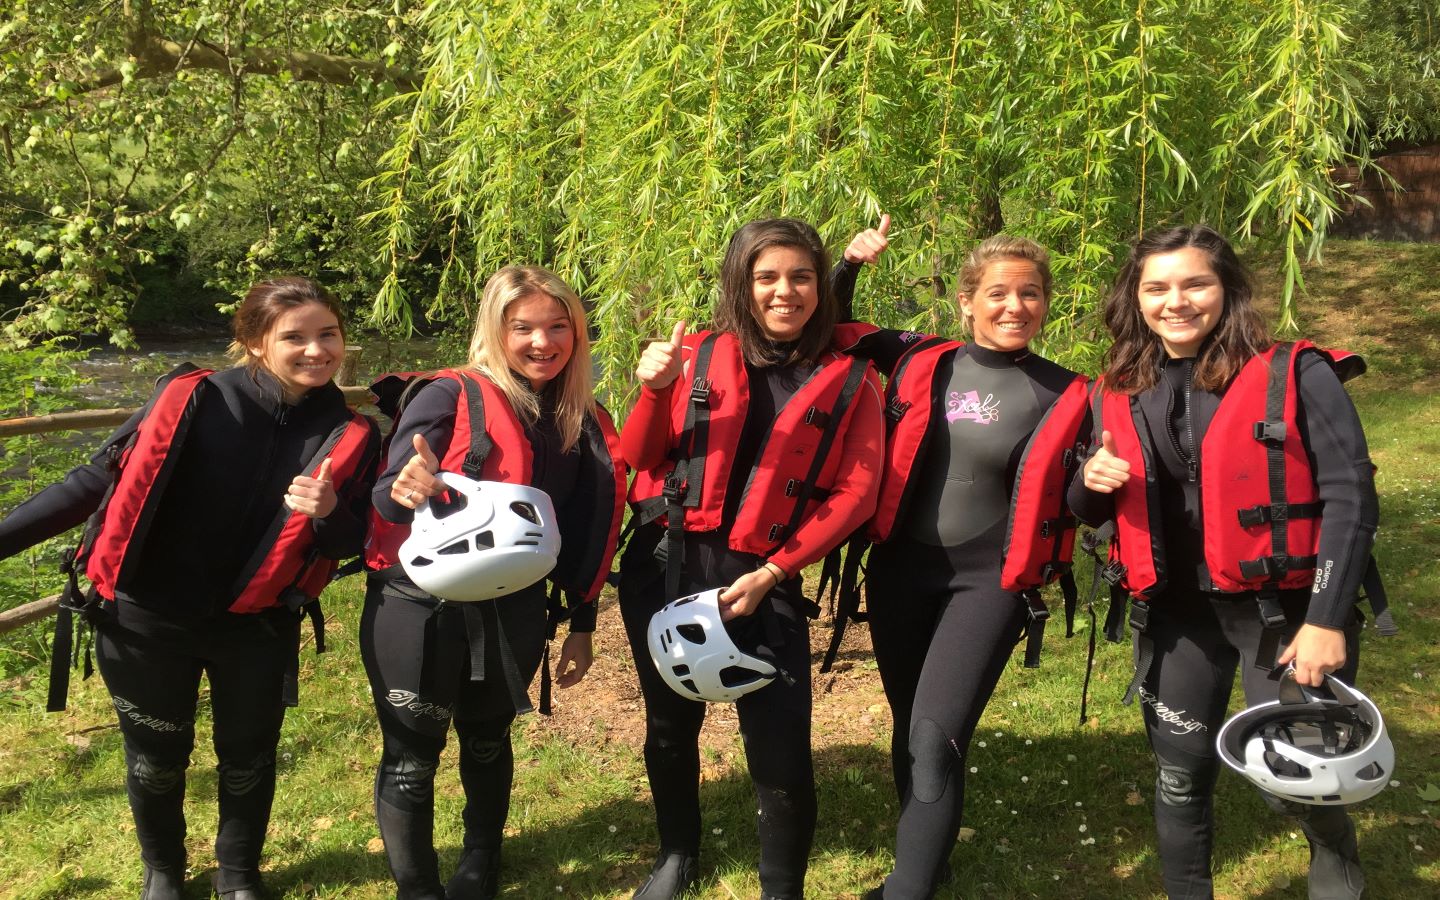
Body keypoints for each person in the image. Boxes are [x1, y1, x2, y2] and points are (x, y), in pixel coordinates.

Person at [0, 277, 380, 900]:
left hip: (257, 624)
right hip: (145, 617)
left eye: (328, 334)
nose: (317, 350)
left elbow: (349, 542)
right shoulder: (198, 399)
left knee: (249, 758)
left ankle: (238, 875)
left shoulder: (351, 432)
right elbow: (92, 482)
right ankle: (164, 872)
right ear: (254, 342)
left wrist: (330, 510)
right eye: (295, 337)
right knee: (156, 759)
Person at [1068, 224, 1381, 899]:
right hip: (1175, 617)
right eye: (1156, 287)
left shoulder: (1296, 372)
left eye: (1195, 284)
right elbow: (1086, 509)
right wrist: (1088, 480)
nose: (1175, 301)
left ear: (1227, 289)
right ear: (1135, 297)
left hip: (1283, 616)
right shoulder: (1118, 386)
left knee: (1299, 774)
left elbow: (1351, 497)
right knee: (1179, 778)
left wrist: (1327, 619)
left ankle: (1334, 852)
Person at [618, 217, 885, 900]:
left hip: (768, 575)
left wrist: (775, 571)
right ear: (741, 284)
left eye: (801, 277)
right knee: (669, 727)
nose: (784, 292)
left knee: (781, 746)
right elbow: (640, 457)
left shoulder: (852, 378)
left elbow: (856, 495)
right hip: (667, 565)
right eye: (766, 277)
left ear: (820, 287)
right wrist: (653, 390)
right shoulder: (694, 355)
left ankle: (780, 887)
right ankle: (677, 854)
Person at [833, 231, 1090, 900]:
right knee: (910, 722)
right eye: (998, 293)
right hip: (899, 571)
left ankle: (908, 889)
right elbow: (832, 330)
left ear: (1046, 303)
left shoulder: (1069, 393)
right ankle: (930, 860)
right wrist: (849, 265)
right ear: (966, 301)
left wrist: (1097, 481)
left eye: (1030, 293)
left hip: (988, 582)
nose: (1015, 306)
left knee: (934, 736)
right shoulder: (918, 357)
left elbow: (1083, 502)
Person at [362, 265, 625, 900]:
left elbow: (588, 528)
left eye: (558, 326)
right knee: (412, 759)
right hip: (419, 606)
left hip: (515, 607)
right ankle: (417, 890)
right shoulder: (446, 395)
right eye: (523, 327)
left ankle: (481, 860)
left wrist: (583, 626)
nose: (543, 342)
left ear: (577, 333)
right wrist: (405, 487)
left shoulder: (582, 418)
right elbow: (388, 496)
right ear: (495, 330)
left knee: (486, 741)